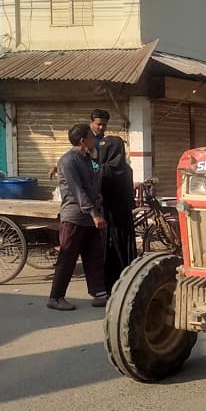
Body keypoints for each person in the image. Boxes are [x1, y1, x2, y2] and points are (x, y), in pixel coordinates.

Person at [48, 123, 107, 311]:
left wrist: (98, 202)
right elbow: (77, 190)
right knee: (67, 257)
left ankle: (99, 292)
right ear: (83, 140)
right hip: (74, 216)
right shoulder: (69, 160)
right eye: (91, 136)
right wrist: (94, 213)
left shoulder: (86, 158)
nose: (94, 139)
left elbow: (91, 185)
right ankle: (56, 297)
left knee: (94, 255)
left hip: (89, 215)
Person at [90, 109, 136, 295]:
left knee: (106, 249)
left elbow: (97, 191)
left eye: (103, 124)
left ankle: (106, 285)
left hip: (107, 216)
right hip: (122, 217)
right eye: (98, 124)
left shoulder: (103, 171)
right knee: (123, 248)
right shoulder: (126, 169)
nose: (101, 127)